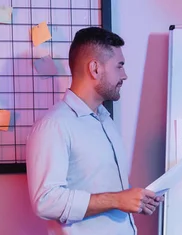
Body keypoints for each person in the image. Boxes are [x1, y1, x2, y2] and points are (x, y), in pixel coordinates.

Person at [25, 27, 163, 235]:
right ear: (95, 69)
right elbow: (45, 201)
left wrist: (135, 200)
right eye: (119, 66)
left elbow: (102, 187)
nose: (124, 75)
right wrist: (117, 199)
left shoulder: (105, 120)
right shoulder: (54, 125)